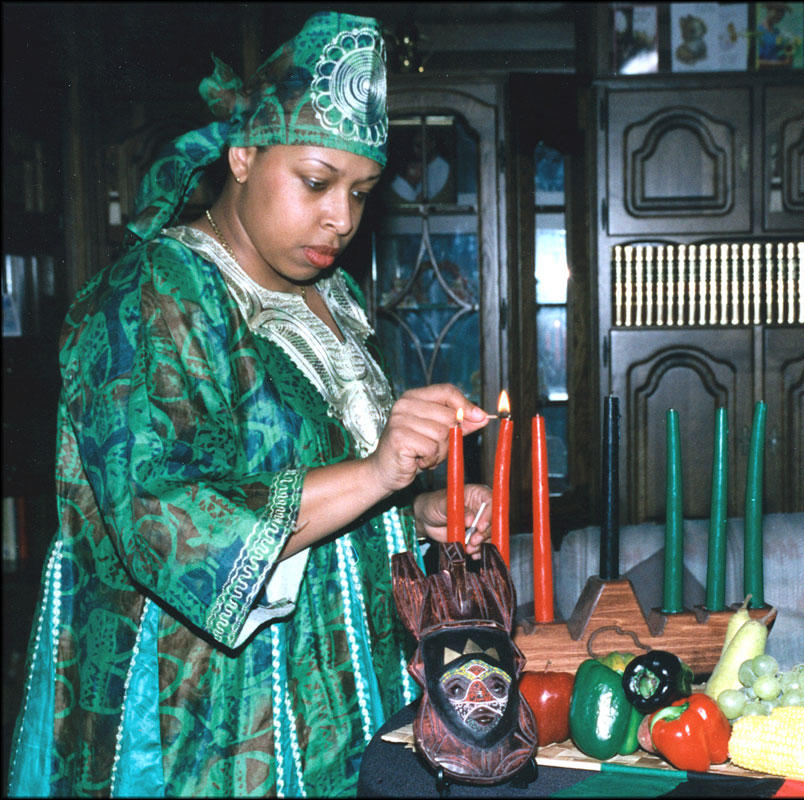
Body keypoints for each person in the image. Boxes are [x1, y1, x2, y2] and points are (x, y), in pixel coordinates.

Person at [6, 12, 492, 797]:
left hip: (342, 694)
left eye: (361, 193)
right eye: (316, 182)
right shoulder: (150, 296)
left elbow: (321, 483)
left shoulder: (331, 295)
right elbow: (167, 519)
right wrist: (375, 474)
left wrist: (413, 507)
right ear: (241, 155)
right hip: (207, 723)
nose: (341, 217)